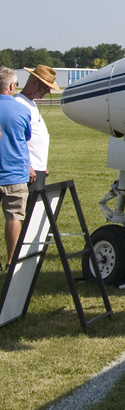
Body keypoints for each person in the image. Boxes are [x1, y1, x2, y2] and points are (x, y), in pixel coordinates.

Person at [0, 68, 33, 264]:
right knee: (14, 217)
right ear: (12, 86)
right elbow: (26, 136)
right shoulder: (22, 109)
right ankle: (12, 260)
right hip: (15, 173)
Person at [20, 65, 57, 195]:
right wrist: (28, 165)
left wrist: (41, 165)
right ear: (35, 82)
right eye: (46, 87)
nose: (48, 92)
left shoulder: (31, 103)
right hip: (28, 170)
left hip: (37, 169)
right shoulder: (20, 104)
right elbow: (17, 140)